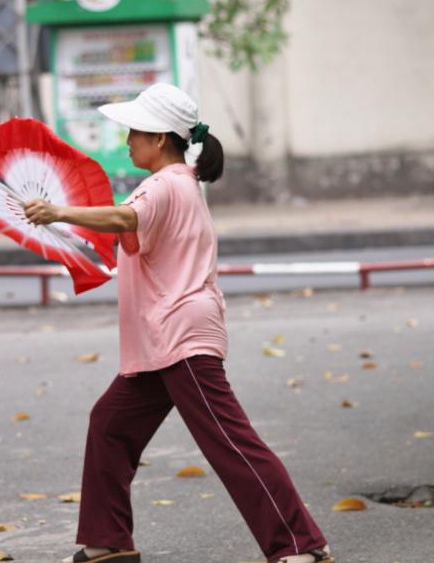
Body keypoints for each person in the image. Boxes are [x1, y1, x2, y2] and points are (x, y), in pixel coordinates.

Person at [23, 84, 332, 563]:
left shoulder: (166, 184)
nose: (127, 140)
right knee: (109, 425)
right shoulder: (180, 182)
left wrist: (59, 212)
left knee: (231, 442)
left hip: (180, 337)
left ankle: (301, 547)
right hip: (162, 339)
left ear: (162, 138)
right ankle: (108, 545)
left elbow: (126, 218)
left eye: (135, 131)